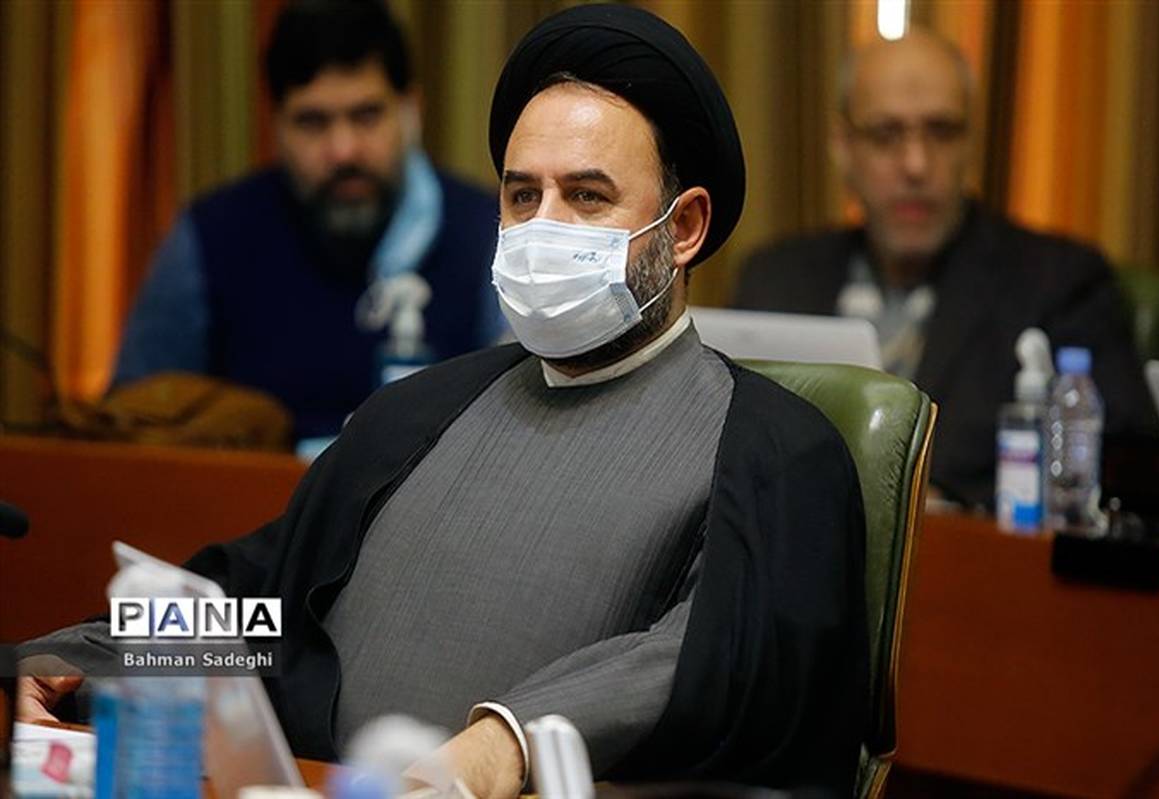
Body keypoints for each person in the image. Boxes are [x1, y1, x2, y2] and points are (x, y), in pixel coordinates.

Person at [20, 5, 868, 797]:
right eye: (522, 195)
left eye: (586, 196)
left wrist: (508, 742)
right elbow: (264, 608)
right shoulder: (419, 413)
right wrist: (90, 655)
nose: (543, 228)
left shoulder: (774, 447)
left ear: (682, 229)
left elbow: (721, 657)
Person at [733, 29, 1159, 509]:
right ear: (843, 148)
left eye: (942, 132)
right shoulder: (774, 280)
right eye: (885, 134)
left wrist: (936, 507)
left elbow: (1131, 472)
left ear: (970, 145)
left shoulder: (1060, 283)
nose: (916, 165)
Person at [112, 0, 504, 441]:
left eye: (366, 116)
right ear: (275, 124)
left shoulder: (487, 235)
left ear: (411, 109)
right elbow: (129, 431)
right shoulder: (209, 238)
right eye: (313, 122)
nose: (343, 151)